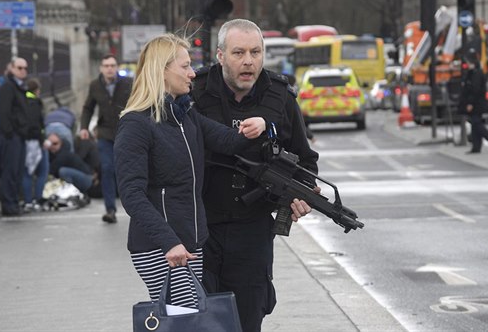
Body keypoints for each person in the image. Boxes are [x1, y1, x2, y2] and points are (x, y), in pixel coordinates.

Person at [114, 34, 268, 310]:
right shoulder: (136, 124)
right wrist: (168, 242)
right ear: (162, 70)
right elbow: (132, 195)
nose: (192, 73)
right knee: (186, 320)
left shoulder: (185, 116)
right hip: (161, 246)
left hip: (189, 242)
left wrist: (260, 124)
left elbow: (229, 141)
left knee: (186, 321)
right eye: (185, 66)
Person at [190, 19, 319, 332]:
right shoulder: (195, 92)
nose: (248, 61)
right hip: (202, 230)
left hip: (253, 231)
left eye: (255, 52)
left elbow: (306, 161)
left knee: (249, 319)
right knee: (203, 322)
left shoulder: (281, 98)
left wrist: (299, 195)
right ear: (220, 56)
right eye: (238, 53)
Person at [80, 54, 132, 223]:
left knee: (128, 169)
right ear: (101, 68)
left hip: (125, 132)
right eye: (106, 66)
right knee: (107, 168)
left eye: (112, 65)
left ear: (116, 67)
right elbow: (88, 107)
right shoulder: (95, 85)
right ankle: (110, 209)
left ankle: (135, 208)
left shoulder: (128, 83)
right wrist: (84, 128)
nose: (109, 68)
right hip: (104, 133)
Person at [0, 57, 31, 216]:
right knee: (10, 171)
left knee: (17, 171)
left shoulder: (21, 87)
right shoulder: (8, 87)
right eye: (19, 68)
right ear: (11, 68)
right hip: (12, 137)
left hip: (20, 135)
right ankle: (9, 204)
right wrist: (10, 132)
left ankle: (14, 203)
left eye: (25, 68)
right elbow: (4, 112)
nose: (23, 71)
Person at [459, 49, 488, 154]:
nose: (466, 64)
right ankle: (476, 147)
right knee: (475, 125)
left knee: (476, 124)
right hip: (476, 103)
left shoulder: (476, 73)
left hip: (476, 104)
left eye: (467, 62)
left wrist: (470, 103)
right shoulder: (473, 72)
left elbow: (475, 90)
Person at [21, 78, 49, 211]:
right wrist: (42, 139)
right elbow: (36, 125)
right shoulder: (35, 103)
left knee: (27, 172)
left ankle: (27, 201)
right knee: (42, 171)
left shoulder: (22, 100)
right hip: (36, 141)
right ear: (37, 90)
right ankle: (36, 199)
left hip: (24, 140)